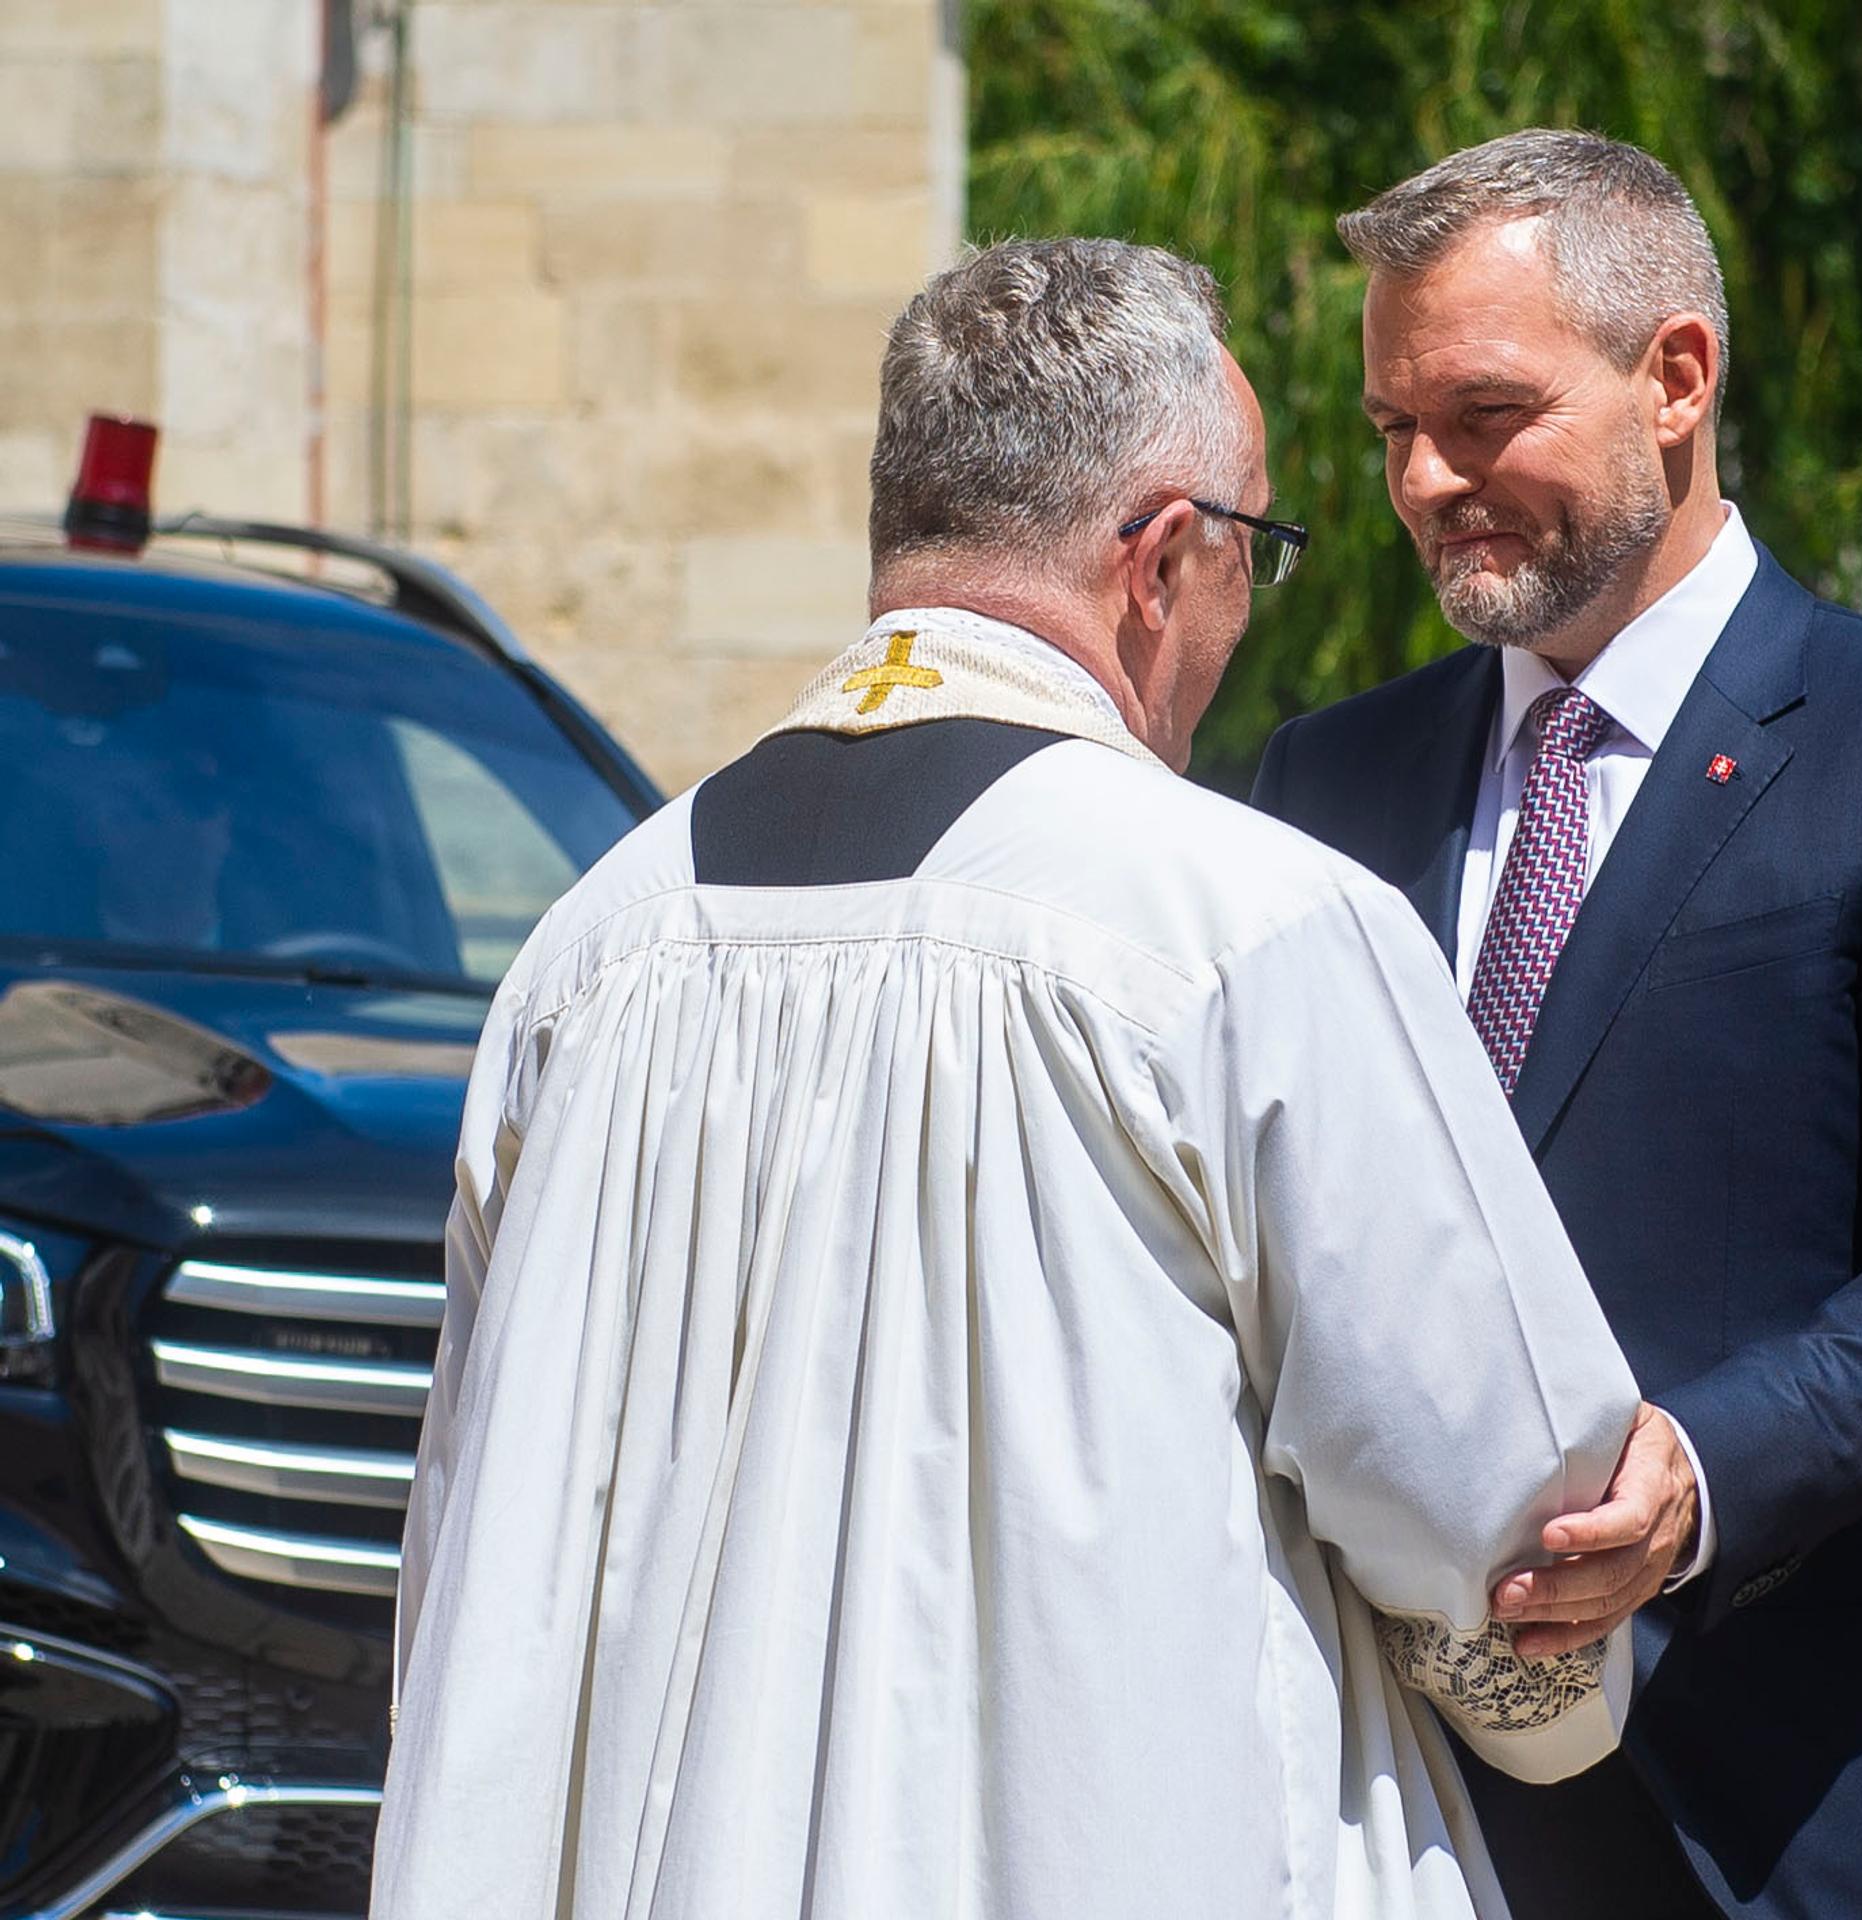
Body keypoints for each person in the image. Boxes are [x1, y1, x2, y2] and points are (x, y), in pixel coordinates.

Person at [371, 236, 1646, 1920]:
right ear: (1159, 556)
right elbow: (1508, 1517)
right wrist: (1562, 1688)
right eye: (1253, 552)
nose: (1238, 616)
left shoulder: (591, 947)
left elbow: (467, 1510)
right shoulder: (1244, 926)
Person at [1252, 130, 1862, 1919]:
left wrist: (1701, 1476)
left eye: (1479, 414)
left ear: (1675, 377)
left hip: (1788, 1803)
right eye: (1387, 430)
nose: (1421, 480)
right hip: (1386, 1799)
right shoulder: (1326, 781)